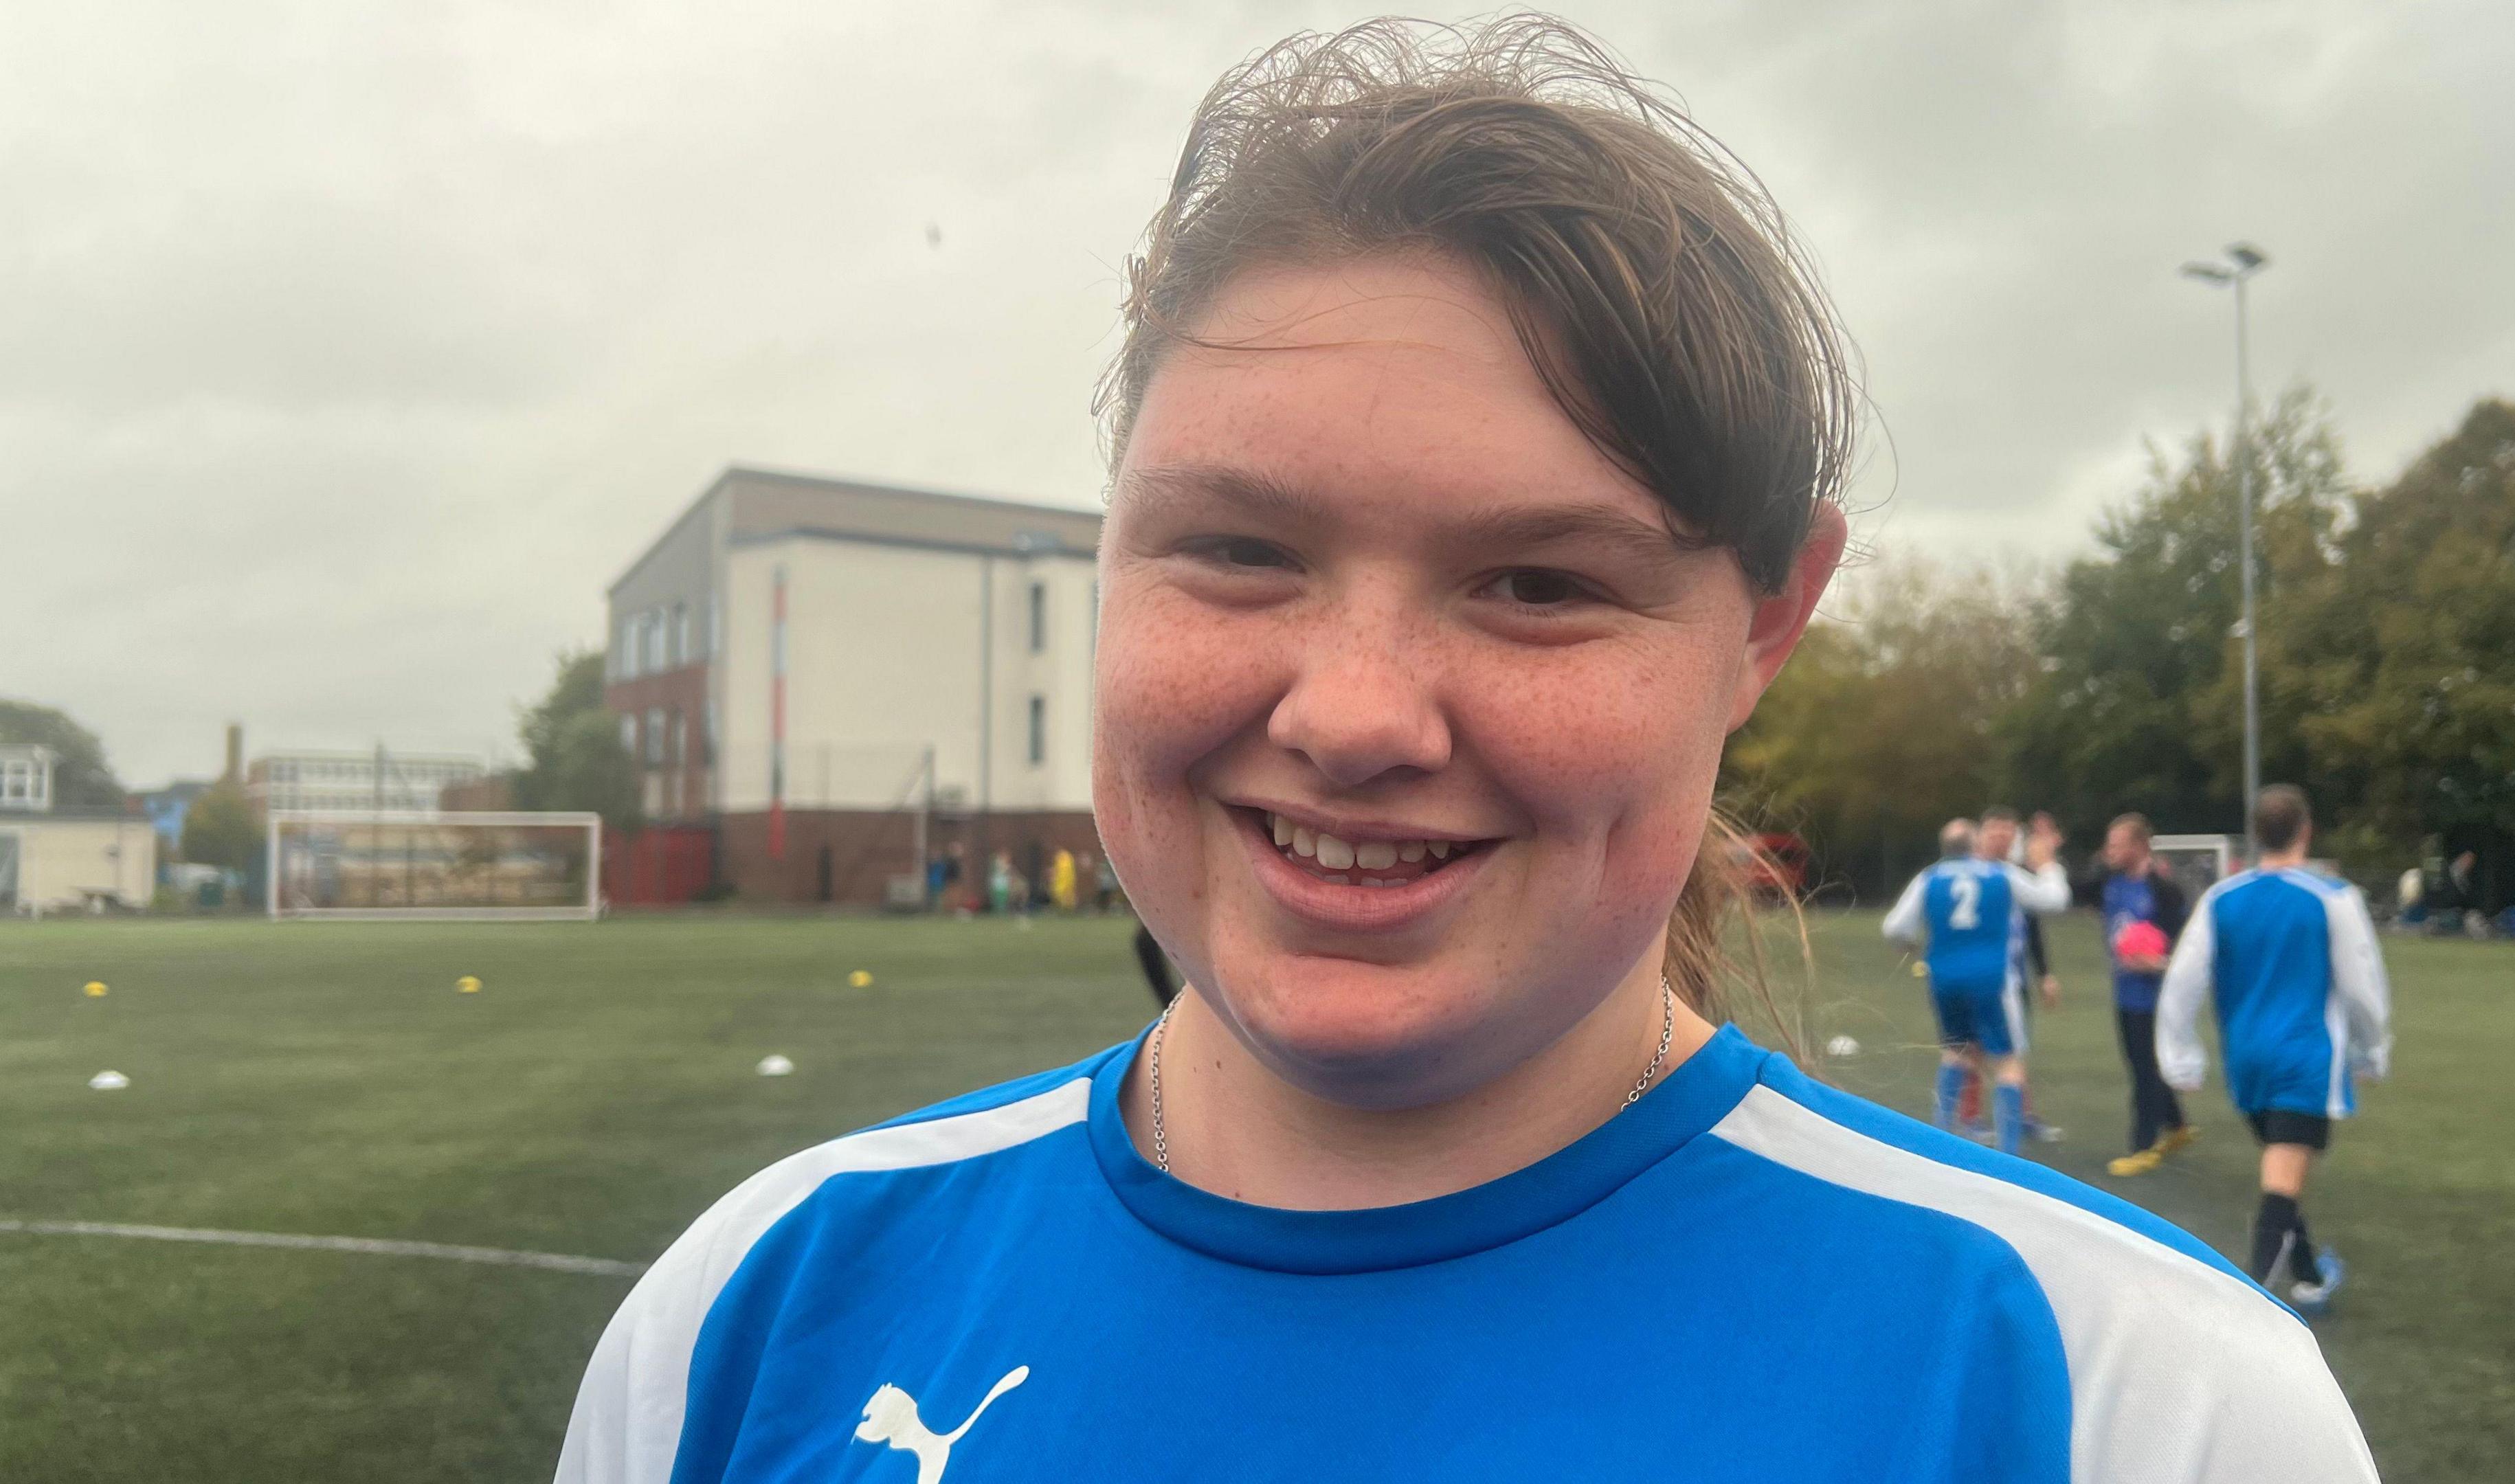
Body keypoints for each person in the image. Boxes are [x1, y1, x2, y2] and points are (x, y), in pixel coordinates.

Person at [558, 19, 2376, 1481]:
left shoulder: (2133, 1406)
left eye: (1534, 582)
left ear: (1763, 621)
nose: (1352, 714)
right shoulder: (752, 1311)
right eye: (1242, 550)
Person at [2160, 785, 2391, 1316]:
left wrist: (2181, 1056)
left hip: (2247, 1063)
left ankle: (2309, 1277)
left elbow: (2182, 982)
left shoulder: (2221, 899)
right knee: (2282, 1182)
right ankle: (2252, 1313)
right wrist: (2373, 1049)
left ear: (2254, 833)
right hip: (2304, 1059)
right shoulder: (2333, 898)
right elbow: (2362, 987)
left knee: (2283, 1172)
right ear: (2306, 831)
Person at [1884, 811, 2072, 1155]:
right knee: (2008, 1061)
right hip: (1992, 979)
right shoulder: (2001, 874)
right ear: (1976, 843)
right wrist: (2048, 866)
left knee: (1955, 1052)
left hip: (1944, 979)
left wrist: (1912, 946)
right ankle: (2009, 1152)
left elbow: (1895, 927)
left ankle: (1939, 1137)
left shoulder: (1929, 877)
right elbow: (2053, 901)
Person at [1954, 809, 2061, 1141]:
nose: (2001, 837)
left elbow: (2032, 925)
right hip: (1976, 975)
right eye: (1995, 831)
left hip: (2012, 977)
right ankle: (1968, 1116)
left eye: (2008, 831)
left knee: (2015, 1046)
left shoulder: (2016, 876)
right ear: (1982, 835)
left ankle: (2020, 1114)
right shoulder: (1968, 875)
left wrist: (2044, 973)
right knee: (1973, 1045)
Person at [2097, 813, 2195, 1177]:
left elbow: (2188, 951)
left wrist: (2156, 963)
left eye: (2117, 844)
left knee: (2145, 1071)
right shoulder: (2110, 882)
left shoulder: (2165, 890)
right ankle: (2178, 1126)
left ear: (2140, 846)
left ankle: (2143, 1146)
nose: (2110, 851)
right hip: (2125, 993)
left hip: (2156, 997)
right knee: (2142, 1065)